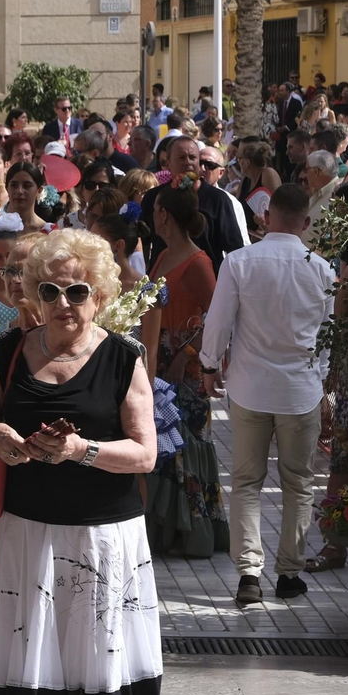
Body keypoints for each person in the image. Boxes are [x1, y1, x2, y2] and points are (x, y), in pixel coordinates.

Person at [0, 229, 160, 695]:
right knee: (33, 652)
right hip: (29, 531)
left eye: (78, 290)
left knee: (100, 655)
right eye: (50, 290)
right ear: (33, 296)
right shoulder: (10, 350)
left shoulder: (123, 356)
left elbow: (146, 453)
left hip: (102, 534)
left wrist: (81, 449)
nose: (64, 302)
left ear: (99, 294)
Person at [200, 184, 333, 605]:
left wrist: (208, 363)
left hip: (250, 387)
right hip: (300, 390)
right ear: (306, 222)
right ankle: (290, 574)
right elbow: (328, 338)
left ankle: (248, 575)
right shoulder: (323, 269)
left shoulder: (239, 263)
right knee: (298, 483)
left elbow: (218, 322)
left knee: (246, 482)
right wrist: (323, 379)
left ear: (266, 216)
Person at [142, 186, 227, 559]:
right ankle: (169, 529)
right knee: (164, 445)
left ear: (164, 215)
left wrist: (188, 354)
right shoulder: (161, 256)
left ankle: (196, 532)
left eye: (156, 209)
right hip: (158, 358)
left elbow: (218, 316)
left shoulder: (198, 263)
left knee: (189, 445)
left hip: (187, 367)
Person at [139, 136, 246, 273]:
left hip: (206, 280)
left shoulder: (218, 199)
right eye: (181, 158)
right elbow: (144, 240)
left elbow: (235, 249)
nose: (188, 162)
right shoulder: (153, 197)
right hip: (163, 282)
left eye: (192, 157)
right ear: (168, 163)